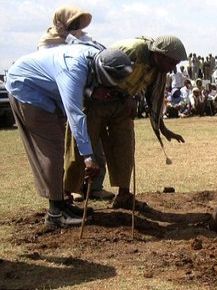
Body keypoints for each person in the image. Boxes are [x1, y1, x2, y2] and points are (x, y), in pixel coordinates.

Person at [5, 43, 133, 227]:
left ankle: (62, 205)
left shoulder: (99, 58)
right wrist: (88, 157)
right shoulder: (73, 70)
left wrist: (92, 91)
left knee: (56, 147)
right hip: (26, 89)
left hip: (45, 92)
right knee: (52, 151)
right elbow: (75, 114)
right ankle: (56, 214)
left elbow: (83, 88)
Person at [63, 35, 187, 211]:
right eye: (171, 63)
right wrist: (92, 92)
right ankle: (66, 196)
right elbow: (93, 70)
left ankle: (124, 195)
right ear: (160, 54)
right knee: (79, 146)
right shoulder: (132, 51)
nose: (173, 68)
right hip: (95, 101)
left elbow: (151, 94)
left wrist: (161, 126)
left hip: (122, 105)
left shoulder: (158, 69)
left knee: (125, 147)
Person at [38, 5, 113, 201]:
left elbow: (94, 65)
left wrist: (92, 91)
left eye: (78, 21)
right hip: (62, 103)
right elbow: (63, 77)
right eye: (73, 21)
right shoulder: (48, 44)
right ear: (61, 22)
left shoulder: (85, 41)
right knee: (71, 149)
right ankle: (71, 188)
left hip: (89, 102)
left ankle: (95, 187)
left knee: (95, 146)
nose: (77, 25)